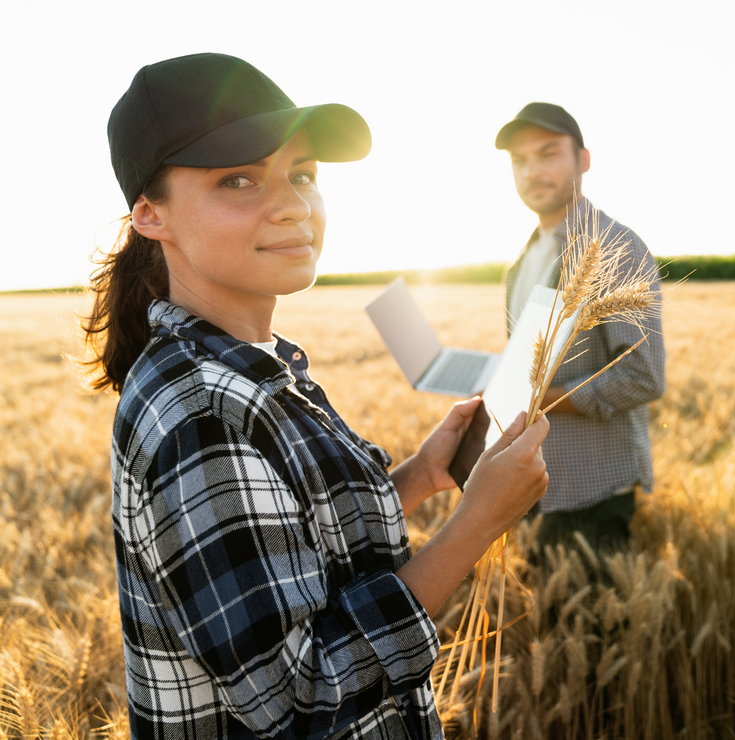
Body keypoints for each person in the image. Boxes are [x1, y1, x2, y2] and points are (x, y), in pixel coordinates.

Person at [84, 53, 549, 740]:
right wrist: (477, 521)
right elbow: (300, 696)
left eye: (302, 174)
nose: (294, 205)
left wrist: (420, 477)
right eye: (237, 179)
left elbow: (301, 550)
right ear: (151, 216)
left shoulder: (248, 364)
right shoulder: (202, 409)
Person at [494, 103, 665, 558]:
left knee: (597, 627)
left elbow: (642, 375)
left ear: (583, 160)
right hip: (532, 480)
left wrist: (542, 399)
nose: (532, 170)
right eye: (519, 160)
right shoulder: (521, 263)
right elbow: (528, 365)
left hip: (591, 487)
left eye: (548, 153)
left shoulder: (615, 248)